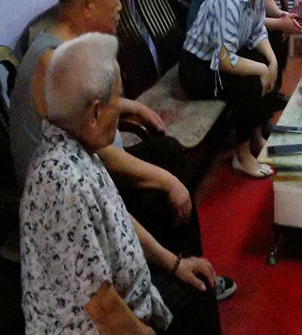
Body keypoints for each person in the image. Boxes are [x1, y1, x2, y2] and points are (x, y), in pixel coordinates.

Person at [10, 0, 236, 301]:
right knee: (168, 190)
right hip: (72, 200)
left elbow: (93, 125)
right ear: (88, 5)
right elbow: (97, 155)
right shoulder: (53, 64)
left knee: (168, 152)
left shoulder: (70, 48)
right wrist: (167, 181)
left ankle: (188, 270)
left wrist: (133, 107)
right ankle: (179, 281)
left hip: (96, 170)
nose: (120, 8)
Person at [20, 33, 222, 334]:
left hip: (134, 298)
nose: (122, 110)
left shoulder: (77, 147)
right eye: (117, 100)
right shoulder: (62, 184)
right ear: (94, 114)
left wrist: (175, 263)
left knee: (198, 285)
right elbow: (101, 308)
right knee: (195, 303)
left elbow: (118, 217)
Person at [180, 0, 281, 178]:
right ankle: (242, 156)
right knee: (250, 83)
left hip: (219, 59)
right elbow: (224, 61)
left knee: (263, 61)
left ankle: (256, 137)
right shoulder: (231, 1)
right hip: (198, 70)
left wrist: (272, 61)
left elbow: (257, 31)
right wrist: (261, 69)